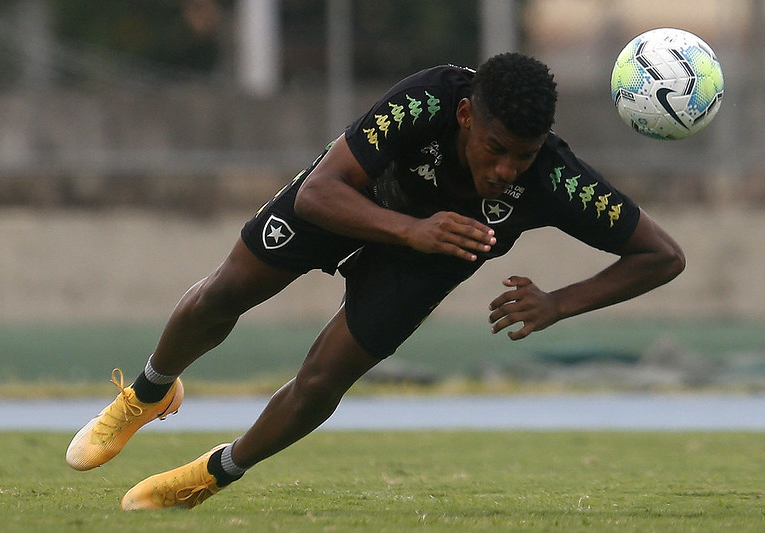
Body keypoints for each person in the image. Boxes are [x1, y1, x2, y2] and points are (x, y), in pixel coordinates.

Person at [65, 52, 685, 510]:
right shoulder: (426, 101)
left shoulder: (556, 179)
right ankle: (147, 394)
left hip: (430, 259)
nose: (505, 169)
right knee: (225, 291)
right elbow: (317, 193)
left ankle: (214, 473)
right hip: (353, 204)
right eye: (494, 148)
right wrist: (409, 229)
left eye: (522, 156)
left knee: (323, 378)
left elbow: (662, 255)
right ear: (466, 116)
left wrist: (559, 302)